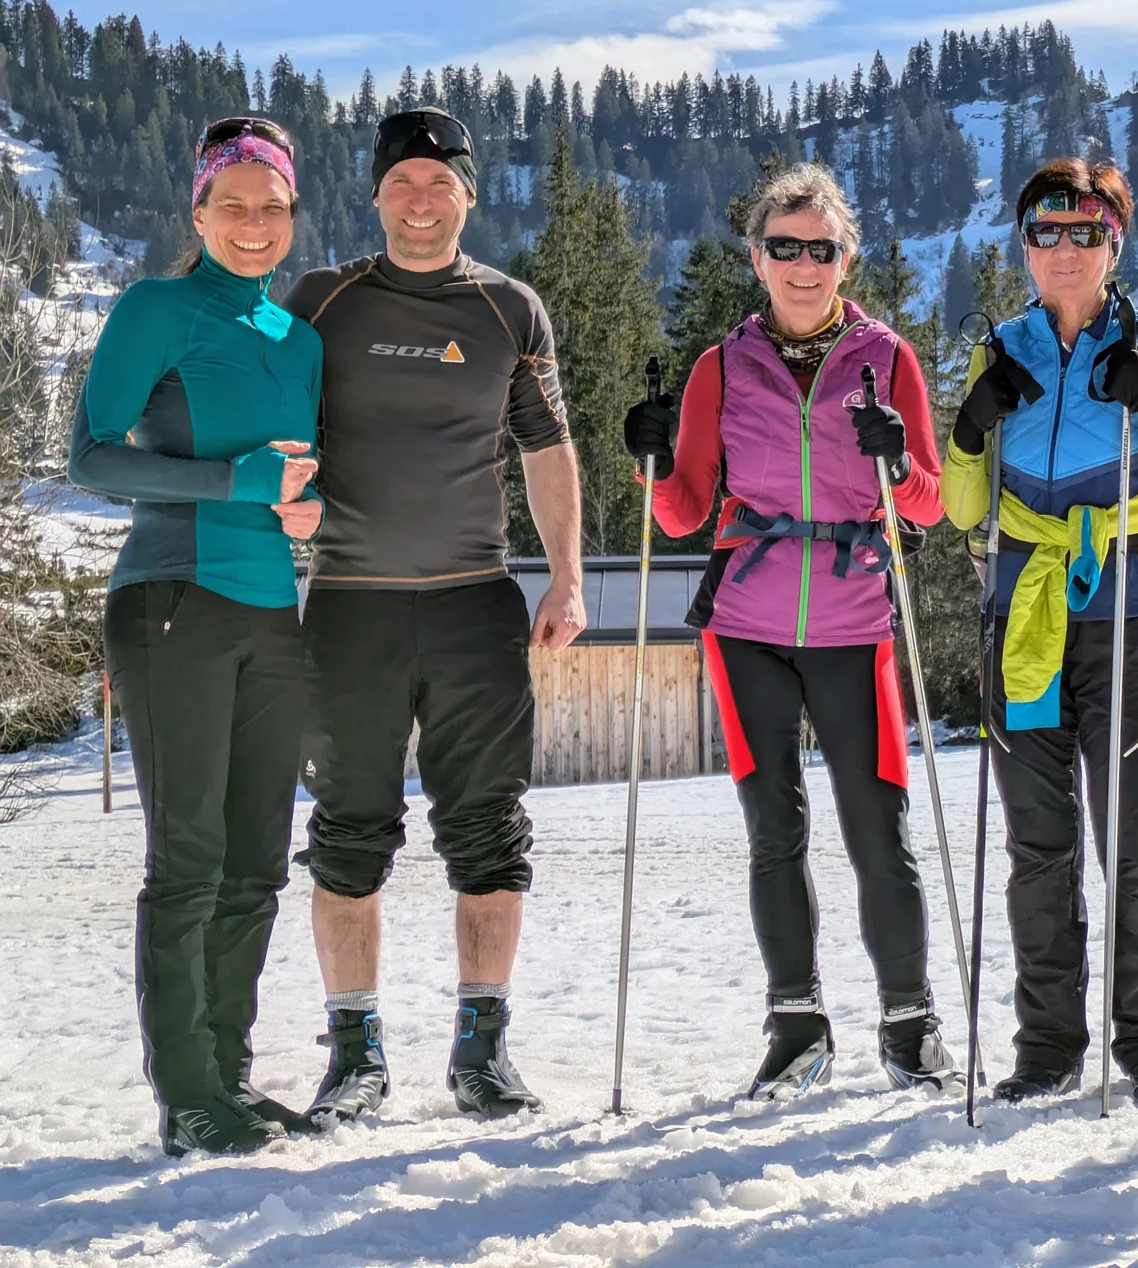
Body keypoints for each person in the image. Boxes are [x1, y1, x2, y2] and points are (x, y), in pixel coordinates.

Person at [621, 162, 956, 1097]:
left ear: (845, 257)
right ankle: (797, 1023)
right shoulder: (720, 367)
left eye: (821, 248)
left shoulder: (887, 359)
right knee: (775, 831)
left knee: (877, 832)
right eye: (784, 247)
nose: (804, 265)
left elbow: (928, 504)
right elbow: (686, 512)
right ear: (757, 257)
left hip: (856, 623)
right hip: (749, 628)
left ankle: (909, 1021)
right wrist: (650, 460)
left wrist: (899, 459)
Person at [286, 106, 585, 1121]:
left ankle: (482, 1051)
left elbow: (547, 447)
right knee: (348, 832)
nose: (421, 200)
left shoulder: (510, 309)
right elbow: (280, 432)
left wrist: (569, 576)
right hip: (349, 608)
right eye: (402, 182)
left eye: (440, 182)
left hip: (473, 606)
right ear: (375, 194)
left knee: (489, 831)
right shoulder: (322, 300)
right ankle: (354, 1052)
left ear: (468, 192)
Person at [69, 118, 324, 1154]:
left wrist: (304, 506)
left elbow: (294, 477)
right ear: (199, 212)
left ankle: (228, 1071)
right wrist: (239, 482)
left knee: (260, 860)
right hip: (171, 598)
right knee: (192, 858)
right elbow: (90, 457)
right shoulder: (157, 309)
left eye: (272, 207)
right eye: (234, 205)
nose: (254, 225)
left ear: (292, 215)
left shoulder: (297, 339)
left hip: (272, 610)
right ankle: (184, 1092)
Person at [940, 158, 1138, 1106]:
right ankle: (1049, 1046)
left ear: (1115, 243)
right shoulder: (1001, 347)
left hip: (1136, 610)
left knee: (1136, 846)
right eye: (1047, 232)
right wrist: (971, 427)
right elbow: (960, 506)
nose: (1066, 248)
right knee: (1037, 846)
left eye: (1087, 231)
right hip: (1025, 613)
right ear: (1024, 246)